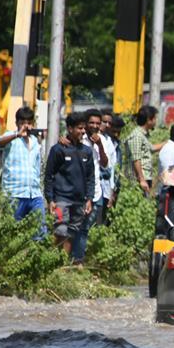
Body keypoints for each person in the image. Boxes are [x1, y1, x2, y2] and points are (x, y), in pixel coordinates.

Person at [44, 112, 95, 258]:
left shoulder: (87, 151)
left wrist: (89, 198)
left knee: (71, 233)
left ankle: (62, 265)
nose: (83, 131)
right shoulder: (58, 149)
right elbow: (49, 176)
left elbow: (90, 177)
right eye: (79, 128)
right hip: (61, 200)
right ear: (70, 128)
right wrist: (50, 199)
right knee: (60, 231)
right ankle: (51, 262)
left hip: (79, 201)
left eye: (84, 128)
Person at [69, 109, 109, 264]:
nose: (95, 126)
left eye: (98, 123)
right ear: (85, 124)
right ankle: (68, 259)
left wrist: (99, 145)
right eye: (91, 122)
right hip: (77, 191)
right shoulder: (79, 138)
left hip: (96, 192)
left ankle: (78, 260)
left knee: (85, 228)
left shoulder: (102, 140)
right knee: (72, 227)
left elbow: (105, 164)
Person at [0, 106, 44, 232]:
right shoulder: (11, 137)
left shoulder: (35, 142)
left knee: (39, 231)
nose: (26, 126)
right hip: (14, 193)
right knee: (12, 231)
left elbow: (37, 166)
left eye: (28, 123)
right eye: (22, 123)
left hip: (34, 194)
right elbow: (0, 143)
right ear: (17, 123)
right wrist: (17, 134)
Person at [123, 105, 164, 196]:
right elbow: (136, 159)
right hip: (138, 179)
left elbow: (152, 148)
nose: (155, 121)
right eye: (154, 119)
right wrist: (141, 180)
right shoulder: (137, 136)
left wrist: (168, 142)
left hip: (145, 177)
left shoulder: (143, 135)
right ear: (149, 120)